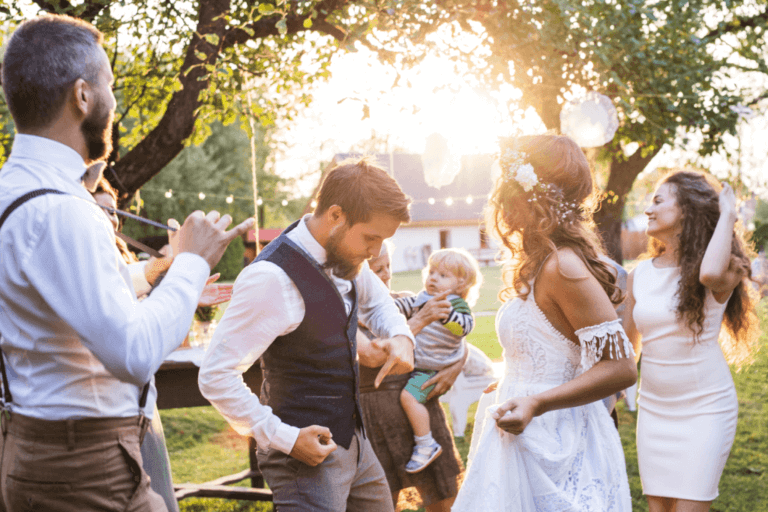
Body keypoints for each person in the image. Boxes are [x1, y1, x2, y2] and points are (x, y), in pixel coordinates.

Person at [0, 15, 253, 511]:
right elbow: (133, 353)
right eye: (109, 85)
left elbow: (69, 296)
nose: (113, 102)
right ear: (83, 96)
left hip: (43, 448)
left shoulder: (16, 192)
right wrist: (191, 264)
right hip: (83, 465)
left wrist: (163, 269)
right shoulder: (64, 210)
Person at [198, 157, 417, 512]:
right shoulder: (271, 279)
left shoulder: (348, 254)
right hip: (304, 454)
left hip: (355, 441)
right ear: (335, 215)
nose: (375, 253)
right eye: (371, 238)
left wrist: (400, 336)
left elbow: (377, 301)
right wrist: (285, 438)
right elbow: (216, 375)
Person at [452, 135, 637, 511]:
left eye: (506, 192)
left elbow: (621, 369)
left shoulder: (563, 266)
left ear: (529, 195)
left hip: (557, 439)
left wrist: (536, 399)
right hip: (520, 428)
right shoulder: (539, 263)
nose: (499, 203)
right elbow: (554, 348)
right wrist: (512, 380)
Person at [623, 171, 759, 512]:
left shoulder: (724, 267)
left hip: (706, 408)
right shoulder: (638, 274)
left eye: (657, 201)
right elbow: (627, 351)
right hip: (653, 411)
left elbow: (708, 275)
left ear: (686, 209)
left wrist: (728, 213)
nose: (648, 210)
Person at [358, 241, 466, 512]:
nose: (385, 275)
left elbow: (455, 340)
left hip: (420, 407)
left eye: (388, 267)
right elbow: (373, 356)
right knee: (382, 500)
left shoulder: (407, 300)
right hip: (375, 415)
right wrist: (420, 321)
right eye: (376, 269)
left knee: (442, 495)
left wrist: (455, 366)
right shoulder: (347, 314)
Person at [395, 249, 481, 474]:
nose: (433, 278)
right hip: (422, 364)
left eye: (443, 275)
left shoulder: (455, 303)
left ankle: (426, 444)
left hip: (434, 369)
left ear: (461, 284)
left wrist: (445, 316)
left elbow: (465, 327)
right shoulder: (422, 298)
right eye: (431, 271)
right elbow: (401, 307)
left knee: (409, 398)